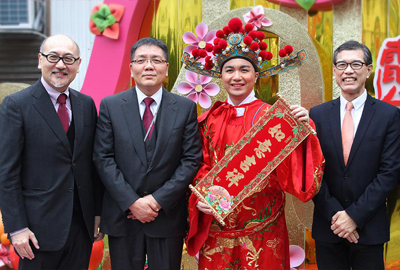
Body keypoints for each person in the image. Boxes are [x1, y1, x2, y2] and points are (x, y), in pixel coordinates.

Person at [183, 18, 325, 269]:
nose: (237, 77)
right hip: (218, 230)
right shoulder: (207, 120)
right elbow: (198, 165)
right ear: (221, 75)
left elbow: (296, 178)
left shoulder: (275, 121)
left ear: (256, 75)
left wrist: (304, 132)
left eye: (244, 70)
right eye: (230, 70)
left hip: (264, 230)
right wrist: (201, 197)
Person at [93, 37, 202, 270]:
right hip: (123, 216)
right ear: (131, 68)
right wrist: (132, 202)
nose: (149, 66)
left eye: (156, 60)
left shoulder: (184, 108)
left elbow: (191, 160)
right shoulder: (111, 106)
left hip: (166, 216)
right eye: (141, 60)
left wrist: (156, 200)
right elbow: (103, 158)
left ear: (166, 68)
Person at [0, 34, 103, 270]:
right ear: (39, 60)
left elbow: (90, 163)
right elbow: (7, 173)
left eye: (68, 59)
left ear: (78, 65)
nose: (60, 65)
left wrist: (97, 213)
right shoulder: (17, 105)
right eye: (53, 57)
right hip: (36, 230)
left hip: (81, 227)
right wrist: (16, 228)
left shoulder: (86, 104)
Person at [310, 40, 400, 270]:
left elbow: (390, 172)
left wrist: (354, 217)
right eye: (341, 65)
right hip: (328, 228)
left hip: (369, 230)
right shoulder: (317, 115)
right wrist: (336, 217)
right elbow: (311, 171)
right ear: (334, 71)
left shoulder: (389, 115)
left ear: (368, 70)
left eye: (356, 64)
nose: (348, 70)